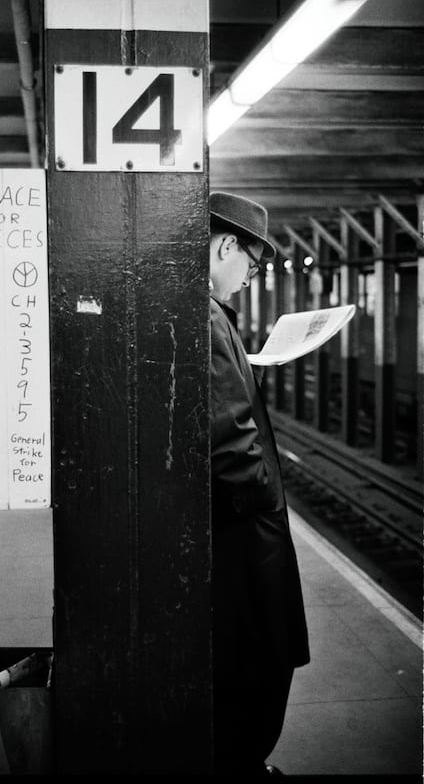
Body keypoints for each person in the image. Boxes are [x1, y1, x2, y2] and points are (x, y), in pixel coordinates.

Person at [209, 191, 310, 777]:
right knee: (260, 662)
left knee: (256, 657)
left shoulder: (208, 314)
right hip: (247, 539)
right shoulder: (207, 317)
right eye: (251, 264)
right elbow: (230, 441)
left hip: (241, 535)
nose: (250, 277)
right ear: (226, 245)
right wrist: (264, 492)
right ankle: (245, 766)